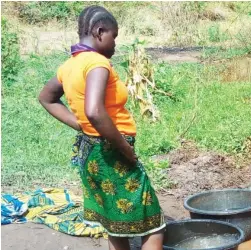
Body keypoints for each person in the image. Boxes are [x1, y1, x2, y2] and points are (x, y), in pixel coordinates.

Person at [38, 6, 165, 250]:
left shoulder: (70, 65)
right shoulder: (97, 63)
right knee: (153, 225)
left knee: (113, 222)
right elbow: (95, 111)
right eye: (113, 37)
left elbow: (47, 98)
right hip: (112, 152)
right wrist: (125, 150)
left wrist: (80, 125)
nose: (115, 44)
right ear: (99, 31)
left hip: (91, 154)